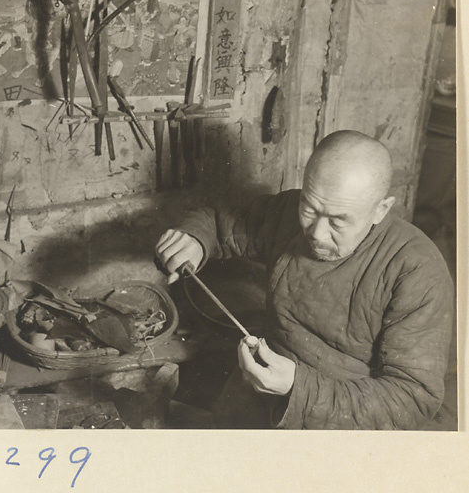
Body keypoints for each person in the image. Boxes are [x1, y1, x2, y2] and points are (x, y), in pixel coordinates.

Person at [155, 130, 454, 429]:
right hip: (255, 391)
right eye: (309, 208)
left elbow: (413, 399)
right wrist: (195, 238)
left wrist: (300, 390)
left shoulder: (416, 269)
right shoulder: (287, 213)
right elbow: (222, 222)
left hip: (345, 422)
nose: (316, 233)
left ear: (381, 209)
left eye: (338, 221)